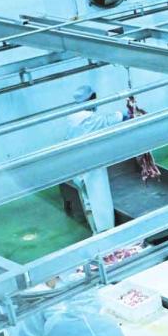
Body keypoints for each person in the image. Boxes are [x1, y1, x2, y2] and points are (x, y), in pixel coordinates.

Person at [65, 85, 129, 233]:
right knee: (100, 203)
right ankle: (106, 234)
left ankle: (95, 232)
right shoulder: (87, 119)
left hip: (76, 166)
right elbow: (106, 121)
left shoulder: (72, 117)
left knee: (88, 202)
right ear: (91, 99)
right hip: (91, 167)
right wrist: (124, 114)